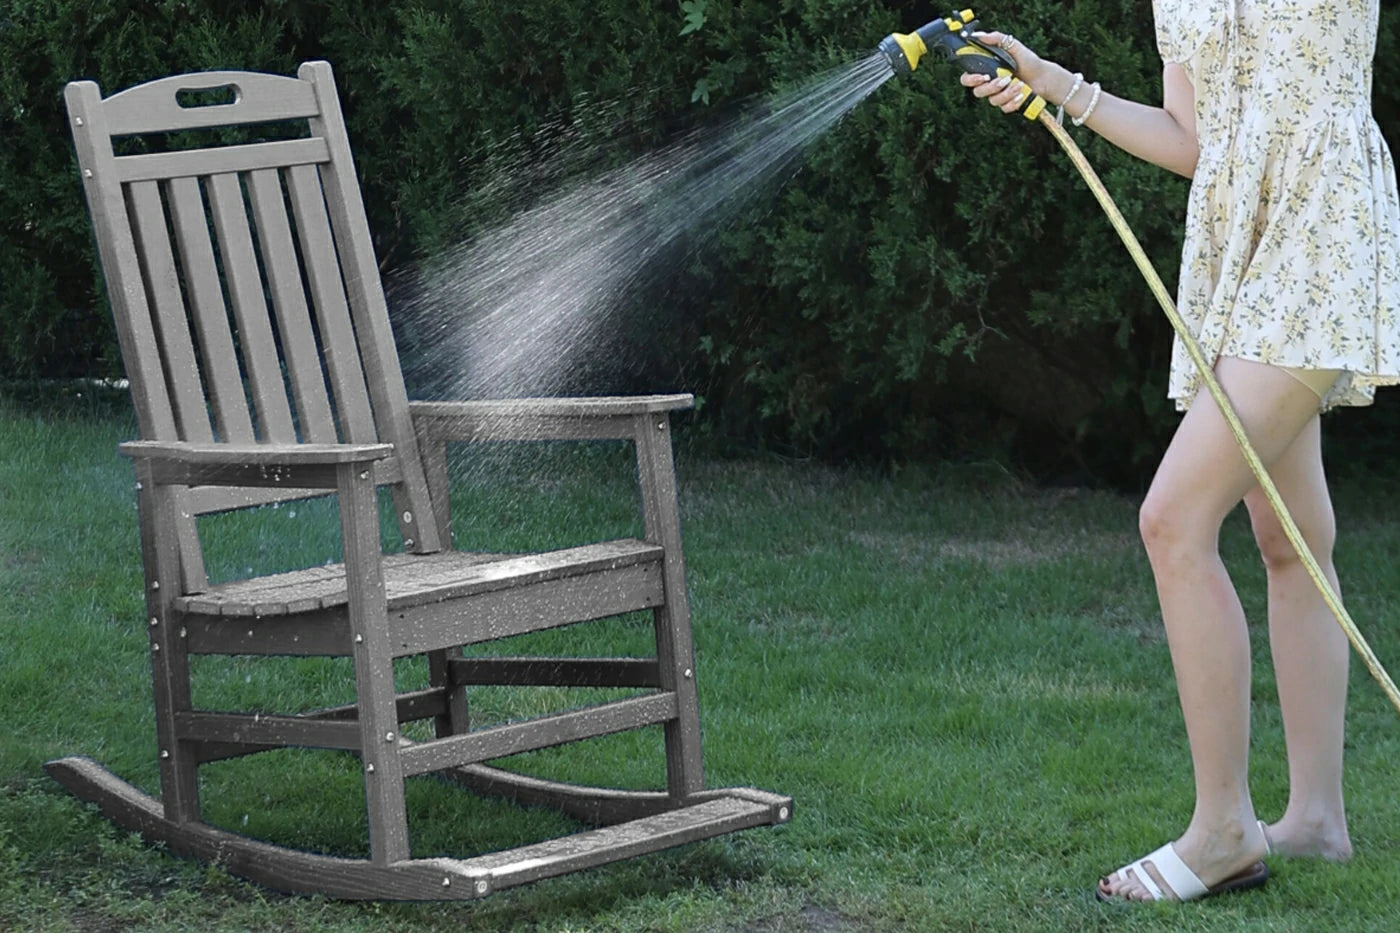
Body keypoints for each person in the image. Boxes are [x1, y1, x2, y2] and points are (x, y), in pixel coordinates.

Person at [959, 0, 1400, 904]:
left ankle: (1223, 829)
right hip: (1240, 257)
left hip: (1321, 240)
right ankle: (1315, 818)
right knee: (1289, 540)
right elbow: (1193, 139)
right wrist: (1059, 88)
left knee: (1173, 520)